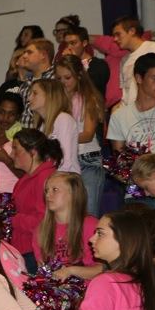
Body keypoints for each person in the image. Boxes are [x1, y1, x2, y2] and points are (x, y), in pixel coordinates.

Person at [55, 56, 105, 215]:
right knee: (66, 214)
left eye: (67, 77)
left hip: (87, 160)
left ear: (79, 76)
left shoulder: (88, 99)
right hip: (64, 162)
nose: (63, 82)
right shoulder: (57, 103)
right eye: (59, 78)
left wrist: (61, 138)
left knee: (87, 213)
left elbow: (88, 134)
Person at [10, 130, 62, 268]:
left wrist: (13, 219)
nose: (11, 154)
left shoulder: (45, 178)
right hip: (24, 249)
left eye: (15, 149)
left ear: (33, 152)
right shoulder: (27, 178)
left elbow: (44, 221)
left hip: (35, 251)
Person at [35, 173, 98, 275]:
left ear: (73, 194)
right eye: (46, 190)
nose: (47, 195)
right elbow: (42, 269)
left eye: (55, 190)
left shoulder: (91, 226)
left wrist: (70, 271)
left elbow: (102, 269)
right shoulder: (41, 230)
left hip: (89, 284)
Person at [109, 16, 155, 108]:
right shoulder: (124, 60)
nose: (115, 39)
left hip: (152, 110)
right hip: (132, 112)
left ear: (132, 31)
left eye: (118, 34)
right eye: (114, 36)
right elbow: (126, 94)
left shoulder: (154, 47)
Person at [28, 79, 80, 174]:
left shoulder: (64, 119)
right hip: (51, 177)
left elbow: (65, 161)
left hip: (65, 177)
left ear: (49, 96)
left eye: (35, 93)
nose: (29, 98)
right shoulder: (41, 125)